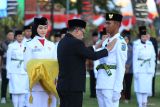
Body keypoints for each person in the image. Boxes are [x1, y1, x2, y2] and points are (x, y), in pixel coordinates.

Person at [57, 19, 117, 107]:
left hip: (63, 85)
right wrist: (107, 49)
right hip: (73, 87)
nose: (83, 36)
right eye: (83, 32)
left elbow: (83, 52)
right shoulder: (76, 42)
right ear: (77, 30)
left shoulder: (63, 41)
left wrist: (98, 44)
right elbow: (93, 56)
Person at [24, 17, 57, 107]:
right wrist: (38, 74)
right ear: (36, 28)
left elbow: (55, 64)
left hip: (50, 84)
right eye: (40, 28)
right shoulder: (29, 44)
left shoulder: (51, 45)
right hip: (36, 85)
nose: (43, 30)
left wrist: (54, 78)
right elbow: (26, 65)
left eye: (45, 28)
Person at [96, 13, 128, 107]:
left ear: (117, 24)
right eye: (105, 23)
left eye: (108, 23)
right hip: (101, 82)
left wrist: (117, 89)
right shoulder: (105, 41)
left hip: (111, 85)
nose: (105, 26)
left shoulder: (120, 42)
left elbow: (121, 67)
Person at [133, 26, 156, 107]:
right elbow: (135, 59)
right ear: (140, 37)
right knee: (139, 88)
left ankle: (144, 104)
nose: (144, 38)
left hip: (148, 69)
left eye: (146, 36)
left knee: (146, 88)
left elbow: (153, 58)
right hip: (140, 69)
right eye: (143, 36)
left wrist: (152, 70)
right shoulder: (137, 45)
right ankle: (140, 104)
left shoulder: (150, 45)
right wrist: (135, 71)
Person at [6, 30, 28, 107]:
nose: (20, 37)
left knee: (22, 91)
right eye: (19, 36)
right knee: (15, 91)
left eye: (22, 36)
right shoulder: (11, 46)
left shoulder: (26, 45)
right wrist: (8, 72)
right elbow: (8, 60)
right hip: (14, 70)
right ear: (15, 37)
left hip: (24, 71)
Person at [0, 30, 14, 104]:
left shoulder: (16, 44)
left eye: (12, 35)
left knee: (13, 83)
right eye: (10, 35)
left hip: (13, 68)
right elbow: (1, 56)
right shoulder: (2, 44)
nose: (11, 36)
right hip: (4, 67)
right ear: (7, 36)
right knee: (4, 83)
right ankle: (3, 97)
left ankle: (12, 97)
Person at [121, 30, 133, 103]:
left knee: (128, 84)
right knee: (121, 84)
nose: (125, 40)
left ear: (129, 40)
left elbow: (131, 58)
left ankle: (127, 98)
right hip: (122, 68)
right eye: (124, 39)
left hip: (129, 69)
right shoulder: (121, 47)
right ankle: (121, 96)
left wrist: (127, 66)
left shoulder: (130, 48)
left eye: (127, 39)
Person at [86, 31, 99, 98]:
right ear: (92, 37)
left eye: (96, 37)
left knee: (98, 80)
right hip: (91, 66)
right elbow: (88, 56)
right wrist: (88, 65)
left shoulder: (100, 44)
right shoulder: (90, 45)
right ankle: (93, 94)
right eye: (94, 37)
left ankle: (98, 93)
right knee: (92, 80)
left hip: (98, 66)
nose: (95, 38)